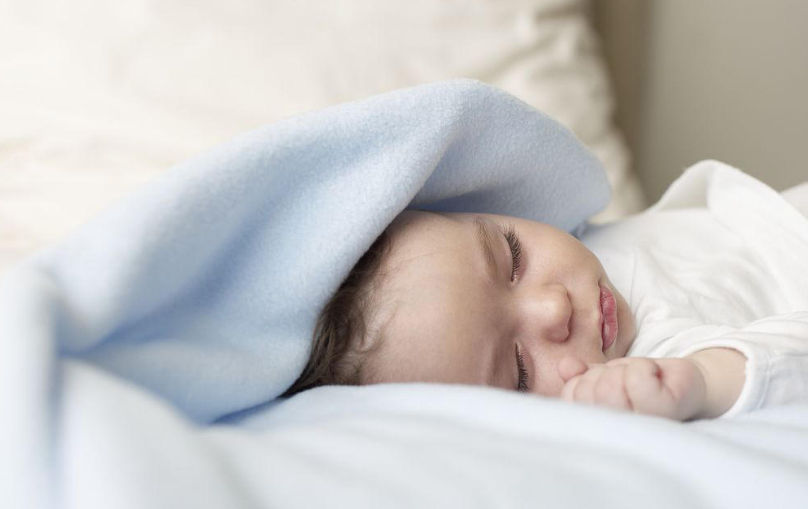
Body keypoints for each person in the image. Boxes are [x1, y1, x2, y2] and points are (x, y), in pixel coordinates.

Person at [284, 161, 808, 421]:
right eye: (519, 371)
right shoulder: (649, 367)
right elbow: (784, 362)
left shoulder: (587, 242)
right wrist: (701, 382)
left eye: (512, 255)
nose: (554, 308)